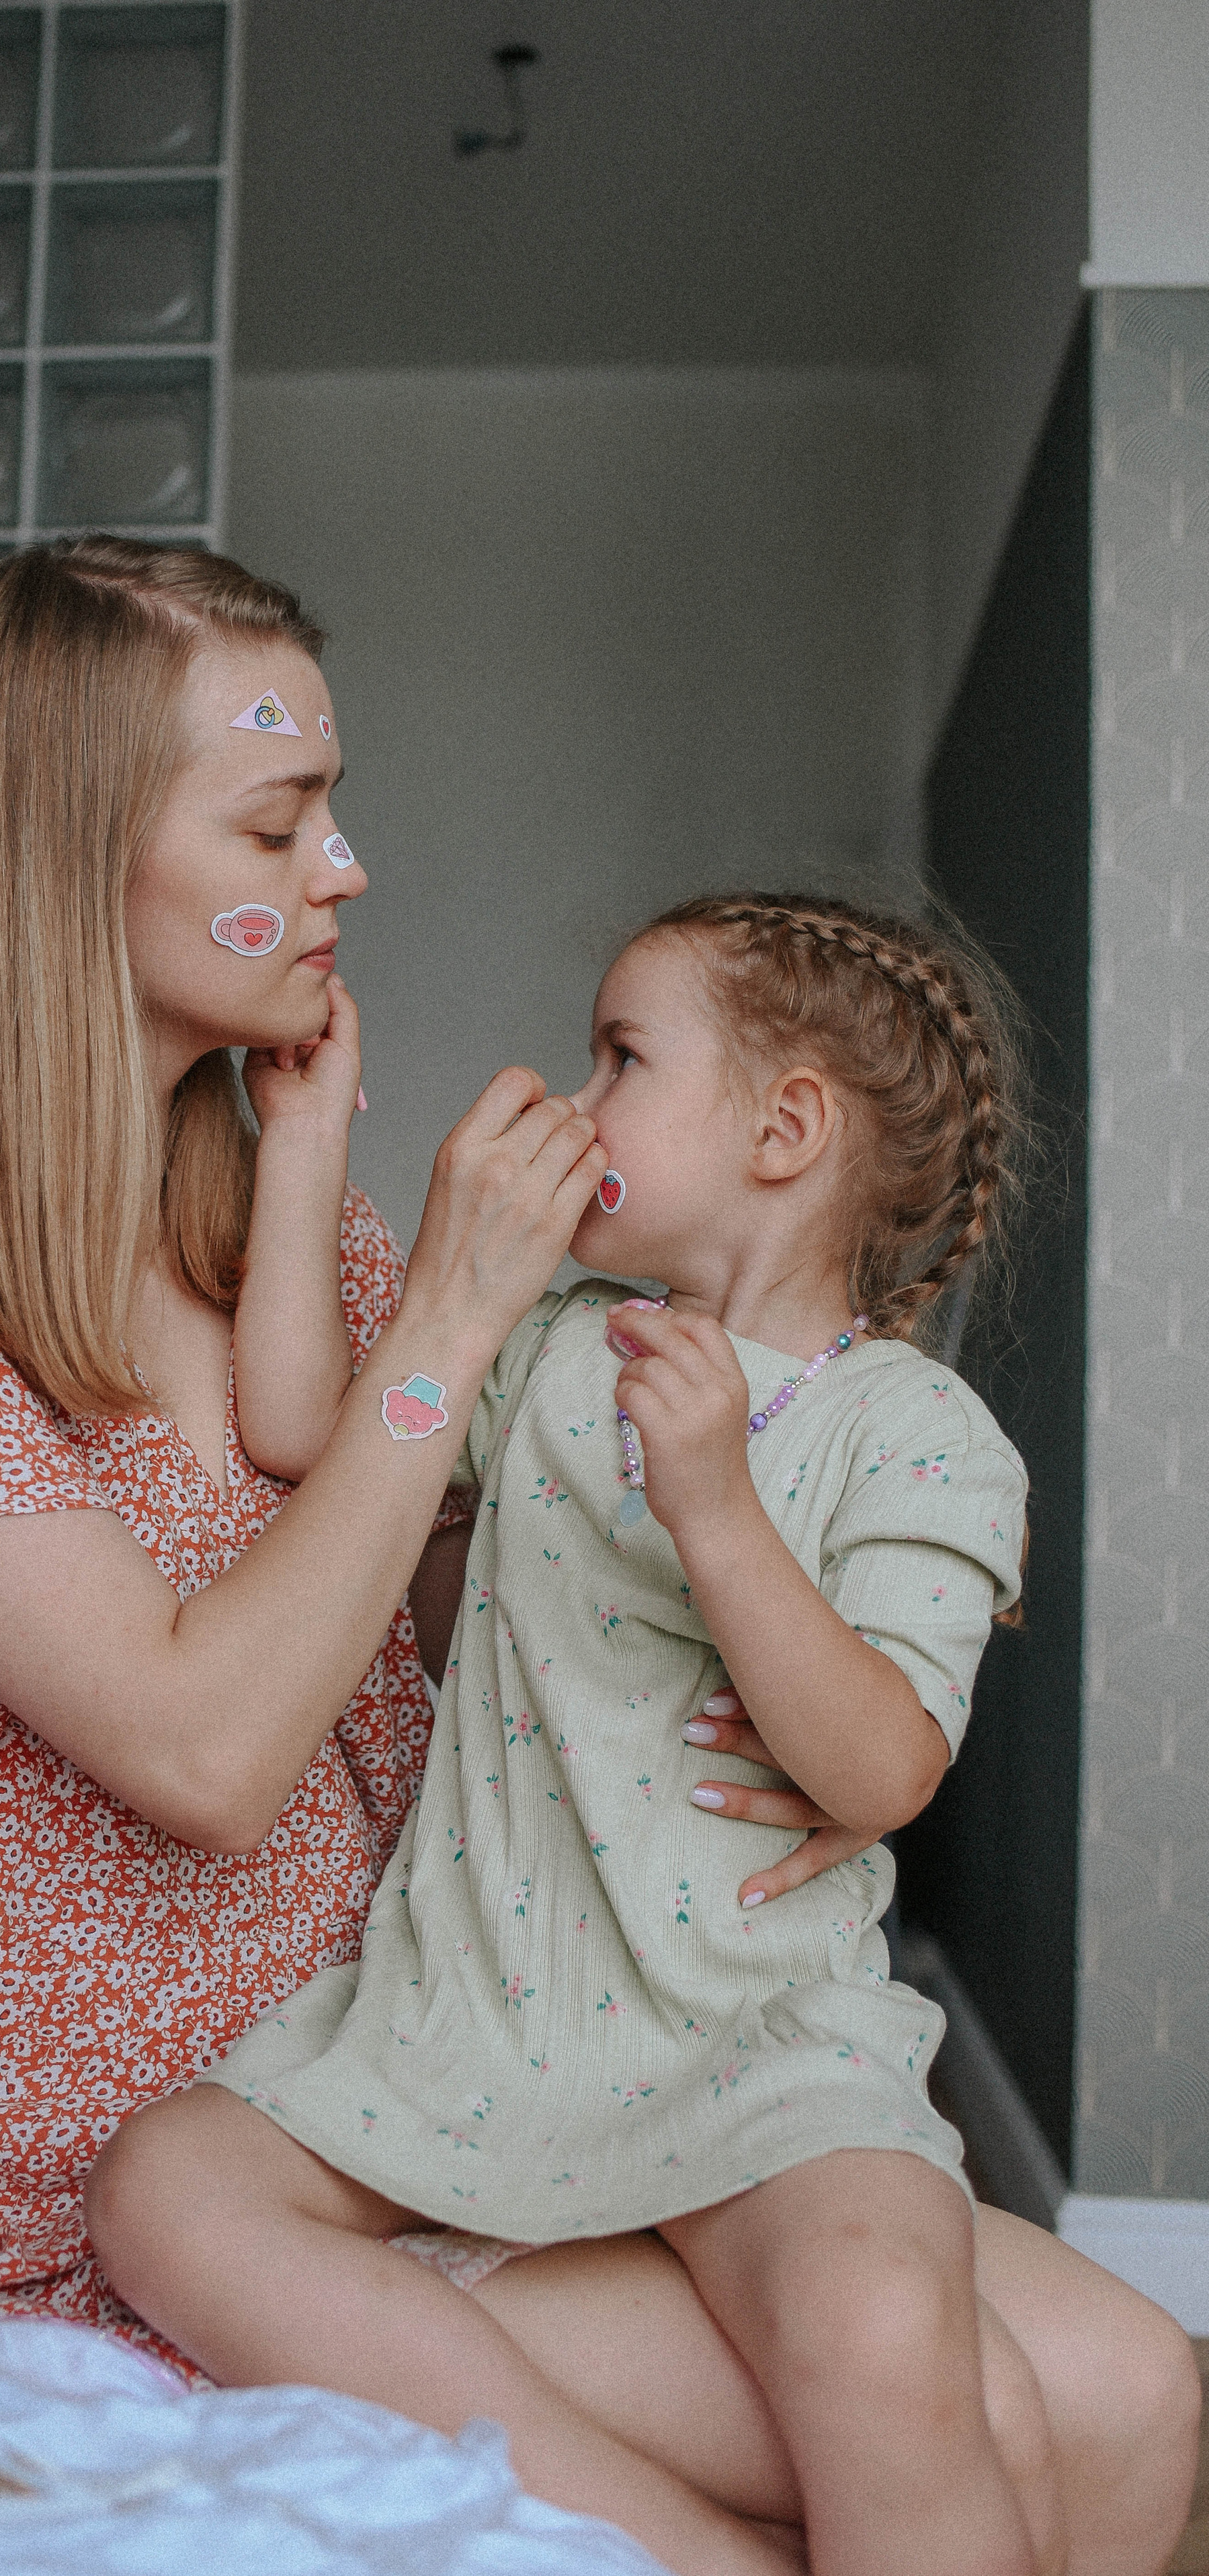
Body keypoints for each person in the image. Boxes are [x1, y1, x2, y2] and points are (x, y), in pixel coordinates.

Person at [0, 542, 1194, 2575]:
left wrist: (742, 1733)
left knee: (1156, 2385)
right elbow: (205, 1750)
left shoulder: (297, 1216)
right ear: (67, 850)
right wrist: (457, 1327)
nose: (347, 864)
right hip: (126, 2140)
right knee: (1010, 2414)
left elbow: (484, 1612)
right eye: (281, 819)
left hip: (463, 2054)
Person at [87, 888, 1200, 2576]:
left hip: (762, 2049)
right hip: (481, 2015)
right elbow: (306, 1425)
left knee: (886, 2325)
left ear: (785, 1128)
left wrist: (719, 1512)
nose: (575, 1098)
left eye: (620, 1057)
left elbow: (883, 1767)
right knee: (161, 2189)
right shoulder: (545, 1349)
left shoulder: (914, 1433)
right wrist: (297, 1134)